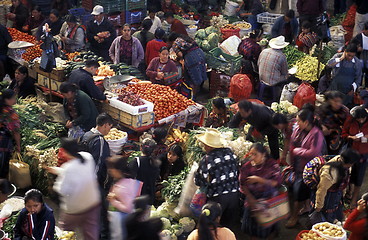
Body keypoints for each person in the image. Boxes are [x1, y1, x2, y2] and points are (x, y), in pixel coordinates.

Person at [50, 138, 101, 240]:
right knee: (91, 236)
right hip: (92, 204)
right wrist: (58, 171)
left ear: (64, 151)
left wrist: (53, 184)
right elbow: (80, 173)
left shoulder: (69, 167)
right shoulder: (88, 157)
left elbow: (62, 190)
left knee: (65, 234)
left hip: (75, 210)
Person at [286, 104, 325, 228]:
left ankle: (294, 217)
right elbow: (292, 142)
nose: (296, 123)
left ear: (306, 122)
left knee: (299, 192)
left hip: (308, 170)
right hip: (296, 166)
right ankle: (301, 209)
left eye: (298, 120)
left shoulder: (316, 134)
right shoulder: (298, 129)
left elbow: (313, 152)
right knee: (292, 190)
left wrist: (297, 151)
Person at [195, 129, 239, 228]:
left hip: (218, 198)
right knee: (228, 227)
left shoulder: (207, 159)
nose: (204, 147)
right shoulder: (230, 153)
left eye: (205, 145)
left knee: (213, 227)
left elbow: (200, 181)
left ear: (209, 146)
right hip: (234, 195)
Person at [239, 143, 281, 239]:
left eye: (255, 154)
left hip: (269, 197)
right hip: (252, 197)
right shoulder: (246, 167)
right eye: (251, 155)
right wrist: (251, 199)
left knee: (269, 228)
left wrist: (259, 179)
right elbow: (243, 184)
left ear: (263, 154)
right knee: (252, 228)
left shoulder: (272, 165)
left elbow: (276, 182)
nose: (252, 157)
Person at [310, 149, 359, 223]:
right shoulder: (329, 173)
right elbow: (321, 190)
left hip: (335, 194)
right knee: (324, 218)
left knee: (333, 215)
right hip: (327, 197)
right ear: (350, 163)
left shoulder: (342, 161)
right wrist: (318, 207)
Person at [107, 156, 142, 240]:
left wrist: (113, 200)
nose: (109, 171)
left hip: (121, 225)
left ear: (117, 170)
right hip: (122, 224)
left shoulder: (123, 187)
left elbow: (128, 208)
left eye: (111, 168)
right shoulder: (128, 182)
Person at [342, 106, 368, 209]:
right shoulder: (350, 120)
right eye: (358, 119)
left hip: (364, 152)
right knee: (347, 173)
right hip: (352, 151)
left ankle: (354, 197)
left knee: (359, 175)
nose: (361, 120)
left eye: (363, 118)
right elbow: (344, 133)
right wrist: (351, 137)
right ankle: (348, 192)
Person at [168, 33, 207, 98]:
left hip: (192, 58)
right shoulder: (186, 39)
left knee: (192, 79)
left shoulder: (175, 43)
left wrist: (178, 59)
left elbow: (181, 55)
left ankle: (192, 97)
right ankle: (196, 93)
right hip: (200, 54)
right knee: (199, 75)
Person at [130, 138, 161, 206]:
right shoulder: (156, 162)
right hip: (150, 197)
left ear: (141, 147)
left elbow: (129, 178)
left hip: (138, 197)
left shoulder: (136, 161)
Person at [0, 89, 20, 178]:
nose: (15, 100)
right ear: (7, 100)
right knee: (2, 167)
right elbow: (16, 132)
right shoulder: (11, 113)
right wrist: (18, 146)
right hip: (3, 143)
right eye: (13, 98)